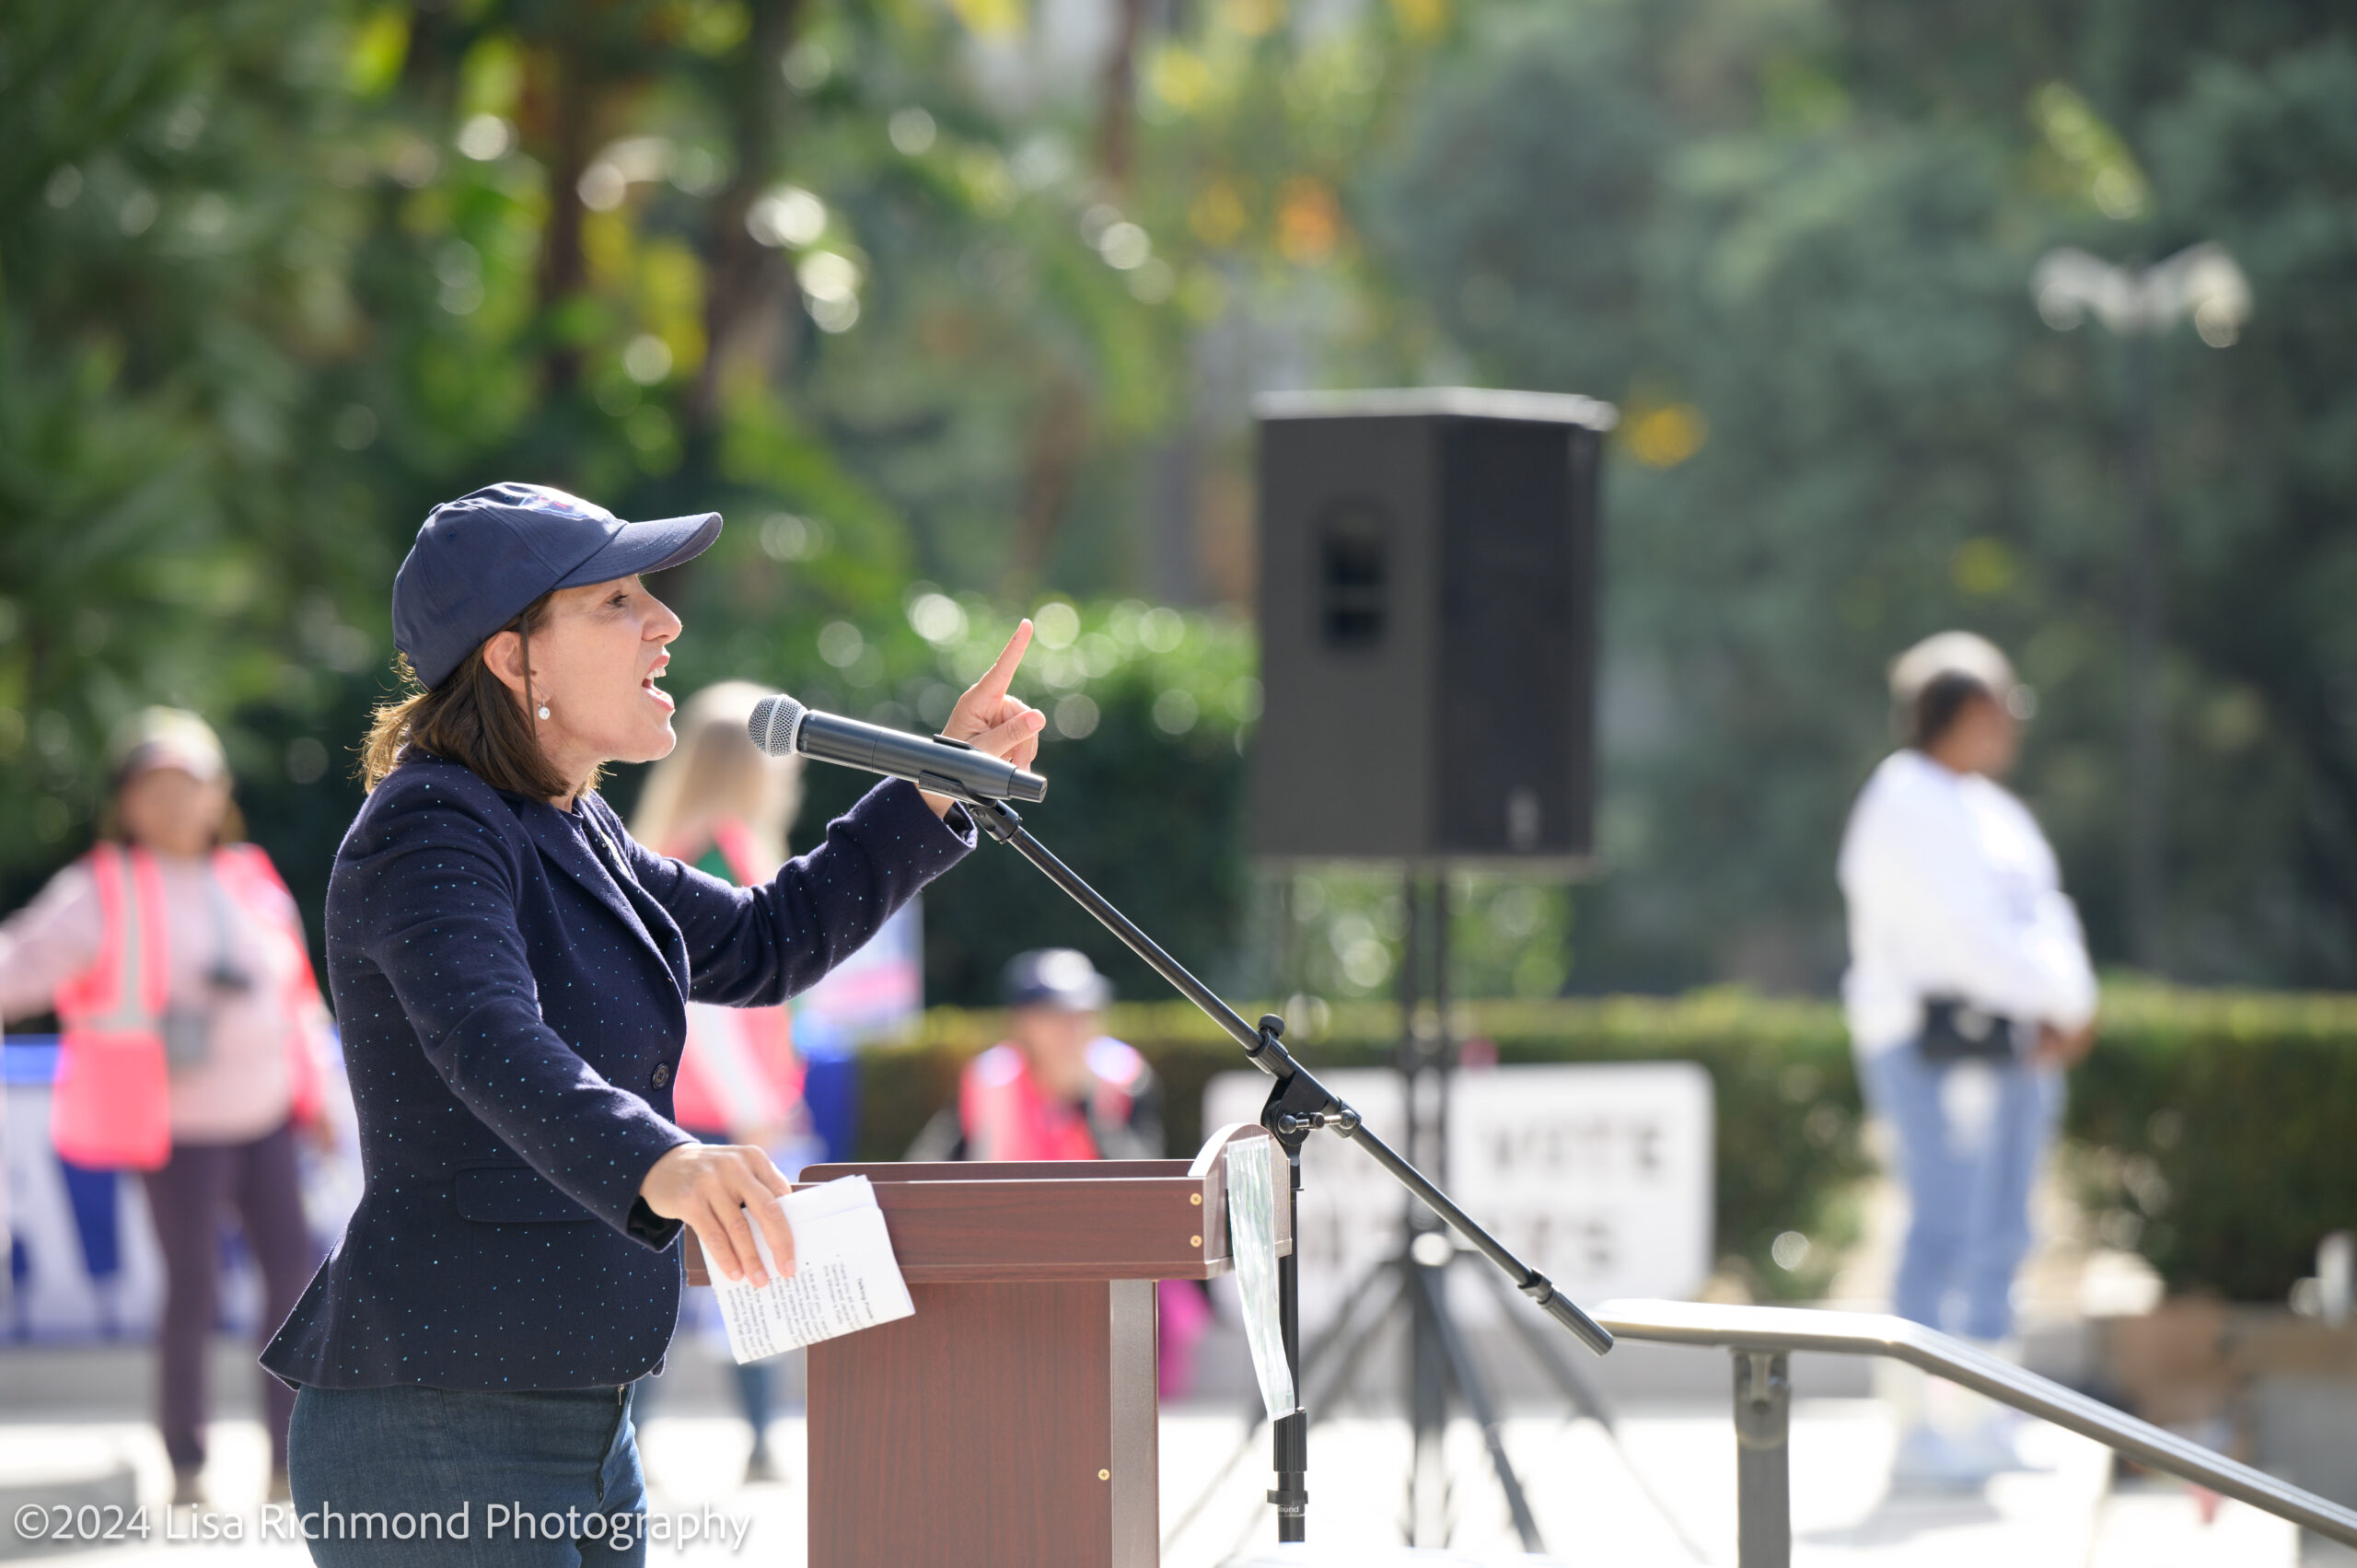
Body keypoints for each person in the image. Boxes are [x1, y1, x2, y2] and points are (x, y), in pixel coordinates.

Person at [260, 482, 1044, 1566]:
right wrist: (667, 1161)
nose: (665, 622)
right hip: (436, 1422)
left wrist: (939, 775)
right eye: (616, 601)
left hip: (580, 1413)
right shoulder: (429, 828)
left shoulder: (573, 827)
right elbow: (488, 1037)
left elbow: (771, 940)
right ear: (510, 656)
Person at [0, 707, 331, 1504]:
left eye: (194, 784)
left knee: (292, 1278)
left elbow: (293, 997)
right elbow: (26, 960)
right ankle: (185, 1460)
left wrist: (312, 1094)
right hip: (175, 1127)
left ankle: (291, 1457)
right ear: (127, 802)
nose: (178, 803)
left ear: (221, 794)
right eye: (157, 787)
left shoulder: (250, 877)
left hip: (266, 1115)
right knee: (194, 1289)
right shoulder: (101, 887)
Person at [1837, 631, 2098, 1490]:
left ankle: (1988, 1412)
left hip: (2014, 1044)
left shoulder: (1991, 808)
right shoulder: (1906, 800)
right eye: (2006, 705)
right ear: (1970, 710)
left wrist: (2070, 1004)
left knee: (2001, 1233)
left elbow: (2046, 914)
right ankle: (1917, 1426)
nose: (2014, 722)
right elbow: (1965, 938)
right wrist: (2053, 999)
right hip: (1935, 1045)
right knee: (1943, 1229)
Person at [627, 679, 809, 1485]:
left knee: (661, 1283)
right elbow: (718, 1011)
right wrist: (759, 1109)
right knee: (744, 1275)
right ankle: (759, 1438)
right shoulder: (720, 853)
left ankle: (652, 1442)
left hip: (667, 1105)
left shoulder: (666, 844)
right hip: (713, 1112)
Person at [908, 948, 1213, 1396]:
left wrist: (1088, 1107)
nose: (1073, 1028)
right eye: (1054, 1015)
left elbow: (1147, 1185)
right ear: (1022, 1022)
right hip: (1009, 1261)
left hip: (1107, 1262)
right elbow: (929, 1164)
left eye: (1084, 1013)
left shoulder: (1126, 1078)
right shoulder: (988, 1078)